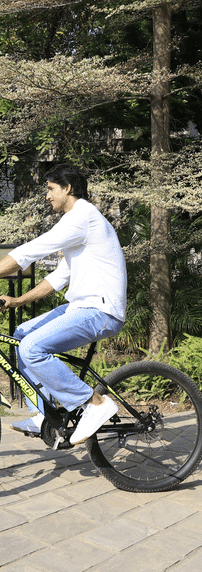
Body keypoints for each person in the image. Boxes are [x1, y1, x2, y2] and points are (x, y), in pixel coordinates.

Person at [0, 164, 127, 444]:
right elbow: (61, 276)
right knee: (21, 335)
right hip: (81, 307)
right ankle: (44, 413)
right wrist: (19, 300)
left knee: (32, 348)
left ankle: (95, 403)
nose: (47, 196)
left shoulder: (83, 216)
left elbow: (30, 251)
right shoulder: (79, 223)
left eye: (50, 189)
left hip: (100, 311)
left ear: (67, 189)